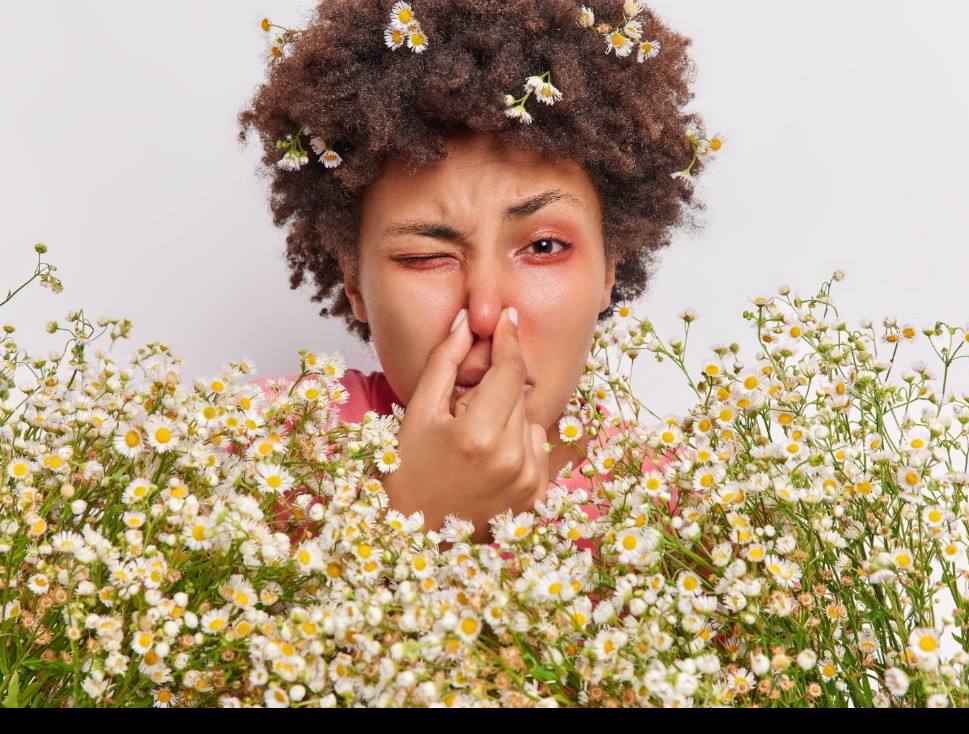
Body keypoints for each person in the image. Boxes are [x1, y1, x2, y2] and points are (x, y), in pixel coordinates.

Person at [238, 0, 709, 544]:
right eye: (424, 257)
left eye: (545, 245)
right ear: (354, 282)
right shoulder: (252, 443)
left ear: (609, 270)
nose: (485, 314)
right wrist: (420, 518)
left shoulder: (687, 513)